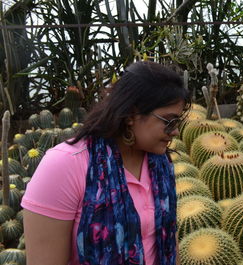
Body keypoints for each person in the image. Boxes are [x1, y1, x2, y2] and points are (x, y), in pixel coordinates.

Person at [22, 61, 191, 265]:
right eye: (168, 121)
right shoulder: (65, 165)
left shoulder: (159, 163)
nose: (175, 132)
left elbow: (168, 242)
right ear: (132, 115)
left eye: (177, 122)